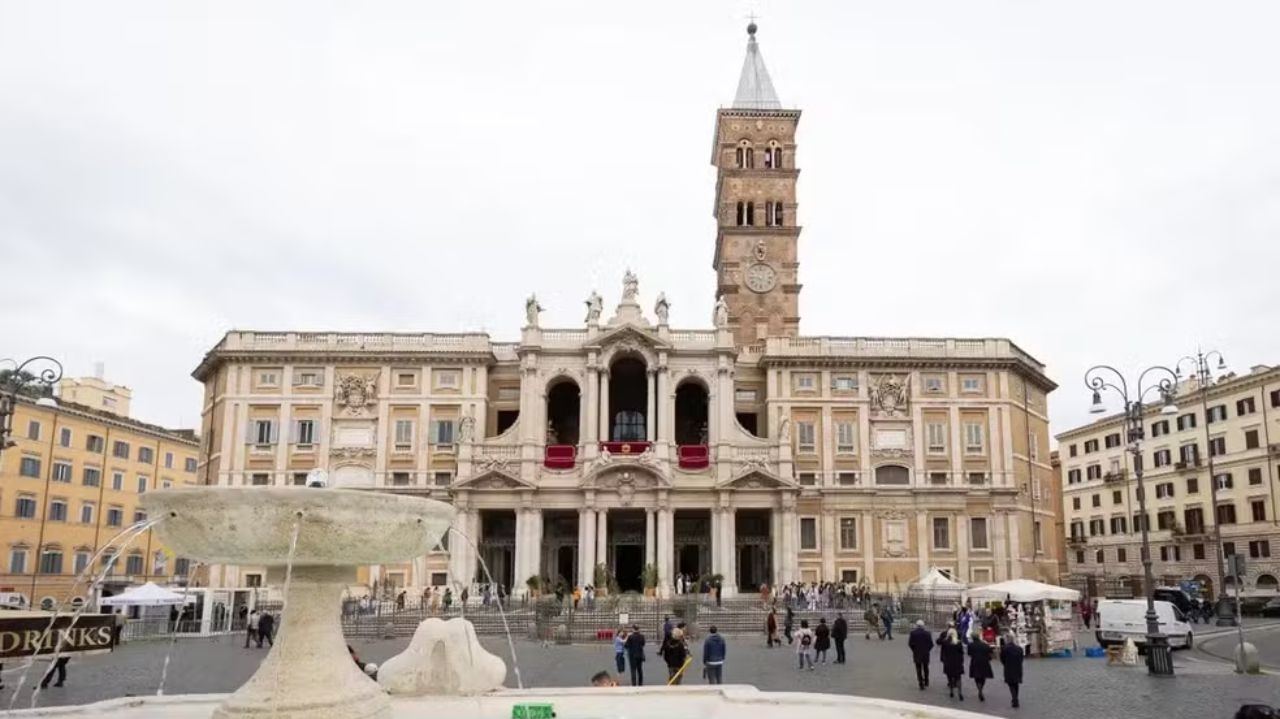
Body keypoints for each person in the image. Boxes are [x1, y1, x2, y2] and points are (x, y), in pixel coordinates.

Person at [938, 623, 965, 701]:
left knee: (950, 676)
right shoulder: (958, 643)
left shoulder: (945, 642)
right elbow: (961, 652)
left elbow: (939, 642)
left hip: (948, 661)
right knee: (958, 677)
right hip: (957, 662)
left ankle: (951, 691)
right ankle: (960, 692)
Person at [967, 632, 994, 702]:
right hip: (984, 662)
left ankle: (979, 689)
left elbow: (969, 654)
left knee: (977, 677)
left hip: (975, 662)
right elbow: (990, 652)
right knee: (983, 677)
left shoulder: (971, 645)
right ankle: (981, 689)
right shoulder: (984, 645)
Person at [1000, 632, 1025, 708]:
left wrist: (1005, 664)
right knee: (1016, 683)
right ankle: (1015, 698)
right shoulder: (1019, 649)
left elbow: (1002, 659)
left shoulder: (1004, 649)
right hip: (1018, 668)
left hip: (1008, 667)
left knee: (1011, 684)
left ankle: (1014, 699)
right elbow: (1021, 658)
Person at [907, 619, 932, 690]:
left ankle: (920, 683)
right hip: (925, 653)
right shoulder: (927, 633)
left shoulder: (913, 633)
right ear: (923, 626)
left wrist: (914, 650)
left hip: (917, 653)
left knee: (918, 668)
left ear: (917, 625)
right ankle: (926, 680)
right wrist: (927, 650)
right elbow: (931, 644)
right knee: (926, 668)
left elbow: (910, 644)